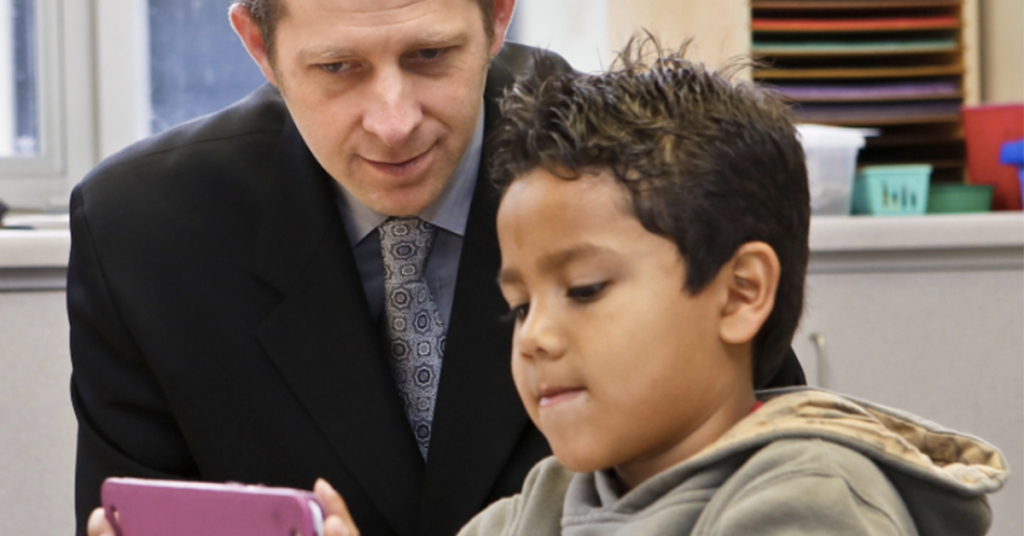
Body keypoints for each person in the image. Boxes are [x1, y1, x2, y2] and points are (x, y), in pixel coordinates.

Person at [72, 2, 808, 536]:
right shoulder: (142, 235)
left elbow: (763, 435)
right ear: (259, 45)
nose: (394, 121)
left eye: (429, 57)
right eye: (338, 68)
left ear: (497, 18)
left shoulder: (634, 168)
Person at [313, 38, 1008, 536]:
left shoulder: (807, 501)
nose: (537, 338)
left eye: (584, 289)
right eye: (520, 306)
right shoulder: (546, 502)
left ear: (739, 293)